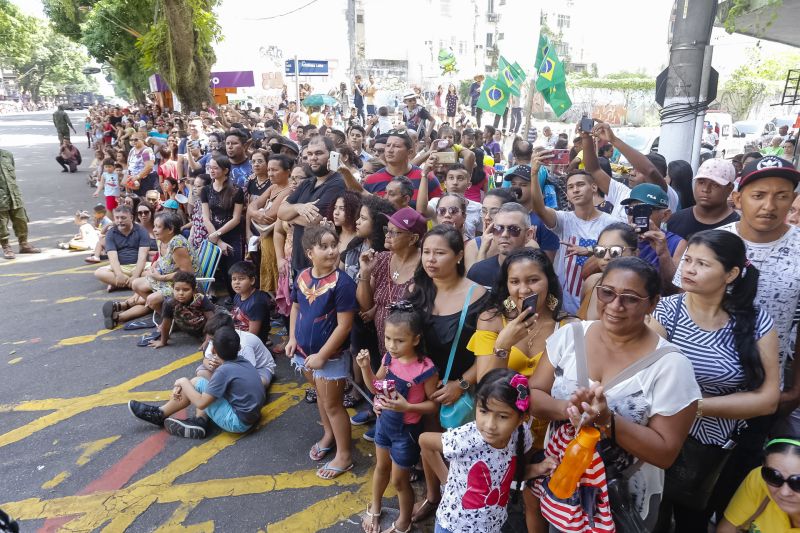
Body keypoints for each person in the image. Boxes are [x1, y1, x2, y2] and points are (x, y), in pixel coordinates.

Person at [529, 257, 701, 529]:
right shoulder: (569, 336)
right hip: (565, 490)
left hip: (624, 501)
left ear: (653, 303)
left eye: (630, 298)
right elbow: (533, 394)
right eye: (607, 292)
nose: (615, 306)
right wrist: (569, 409)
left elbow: (665, 452)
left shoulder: (671, 366)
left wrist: (607, 421)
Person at [651, 230, 780, 530]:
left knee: (693, 520)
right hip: (659, 436)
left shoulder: (756, 321)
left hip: (714, 449)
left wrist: (693, 406)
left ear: (731, 273)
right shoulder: (668, 311)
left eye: (702, 264)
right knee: (649, 517)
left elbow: (768, 398)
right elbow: (649, 375)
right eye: (687, 260)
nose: (689, 269)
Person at [407, 225, 489, 523]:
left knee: (460, 452)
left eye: (439, 253)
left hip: (462, 393)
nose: (431, 259)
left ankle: (461, 499)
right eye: (426, 252)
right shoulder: (419, 290)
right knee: (426, 444)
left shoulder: (479, 296)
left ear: (457, 256)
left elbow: (489, 354)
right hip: (425, 389)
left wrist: (462, 384)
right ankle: (433, 495)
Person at [419, 368, 556, 533]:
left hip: (492, 525)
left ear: (522, 418)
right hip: (453, 526)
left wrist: (538, 469)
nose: (490, 425)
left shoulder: (521, 435)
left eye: (503, 416)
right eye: (483, 411)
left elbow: (506, 474)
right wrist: (445, 480)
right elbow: (424, 441)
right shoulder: (466, 438)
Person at [355, 303, 438, 533]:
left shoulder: (425, 368)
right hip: (384, 424)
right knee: (380, 467)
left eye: (399, 340)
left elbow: (433, 405)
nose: (392, 345)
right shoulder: (388, 360)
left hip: (407, 432)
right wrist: (364, 368)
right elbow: (376, 387)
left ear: (416, 339)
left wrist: (408, 406)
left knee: (399, 481)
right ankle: (376, 507)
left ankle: (404, 520)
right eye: (388, 338)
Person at [285, 225, 357, 480]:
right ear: (309, 253)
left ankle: (345, 455)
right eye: (323, 247)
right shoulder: (303, 276)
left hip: (330, 357)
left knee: (334, 405)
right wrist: (293, 337)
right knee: (321, 397)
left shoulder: (343, 283)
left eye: (333, 245)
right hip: (304, 353)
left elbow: (345, 325)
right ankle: (328, 435)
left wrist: (324, 355)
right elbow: (295, 307)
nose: (331, 251)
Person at [128, 326, 266, 439]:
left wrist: (182, 382)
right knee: (199, 383)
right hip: (252, 415)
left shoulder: (223, 371)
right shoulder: (243, 361)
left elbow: (201, 402)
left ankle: (160, 414)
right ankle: (197, 421)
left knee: (196, 383)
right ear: (239, 347)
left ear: (213, 350)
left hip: (238, 422)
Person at [530, 163, 616, 313]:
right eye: (570, 187)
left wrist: (590, 251)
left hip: (597, 303)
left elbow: (621, 254)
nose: (575, 190)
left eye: (580, 184)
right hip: (564, 305)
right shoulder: (563, 220)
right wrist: (534, 174)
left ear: (594, 187)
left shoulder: (612, 224)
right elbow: (539, 208)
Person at [108, 212, 199, 332]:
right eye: (154, 226)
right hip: (168, 279)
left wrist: (161, 277)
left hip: (183, 284)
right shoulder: (162, 240)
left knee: (151, 299)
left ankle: (173, 320)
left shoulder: (178, 244)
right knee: (135, 284)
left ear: (170, 229)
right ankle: (166, 314)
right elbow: (162, 259)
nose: (154, 230)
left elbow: (187, 273)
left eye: (158, 227)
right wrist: (154, 266)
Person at [278, 136, 346, 277]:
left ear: (332, 155)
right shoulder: (306, 183)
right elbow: (280, 212)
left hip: (321, 266)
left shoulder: (338, 183)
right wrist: (298, 208)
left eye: (319, 153)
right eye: (309, 154)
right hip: (299, 260)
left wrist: (290, 216)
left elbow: (313, 220)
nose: (313, 158)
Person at [718, 437, 800, 532]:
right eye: (773, 476)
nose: (784, 492)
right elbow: (727, 529)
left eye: (798, 482)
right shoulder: (759, 480)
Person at [201, 154, 245, 298]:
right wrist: (218, 240)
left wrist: (217, 235)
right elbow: (206, 217)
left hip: (233, 234)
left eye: (215, 168)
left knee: (234, 270)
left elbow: (236, 219)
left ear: (225, 170)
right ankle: (231, 301)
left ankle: (239, 300)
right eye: (210, 168)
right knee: (216, 269)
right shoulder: (206, 190)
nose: (212, 171)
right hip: (214, 234)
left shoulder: (236, 190)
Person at [249, 154, 294, 293]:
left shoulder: (289, 190)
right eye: (269, 170)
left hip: (278, 239)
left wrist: (254, 213)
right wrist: (255, 213)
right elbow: (254, 204)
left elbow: (270, 215)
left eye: (275, 170)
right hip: (266, 236)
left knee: (277, 270)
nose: (270, 174)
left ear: (288, 172)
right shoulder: (273, 187)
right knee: (268, 267)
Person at [198, 311, 276, 388]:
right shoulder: (216, 339)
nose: (210, 342)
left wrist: (223, 366)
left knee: (259, 384)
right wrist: (210, 364)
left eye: (212, 339)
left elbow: (249, 371)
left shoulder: (245, 344)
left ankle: (224, 388)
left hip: (259, 368)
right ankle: (228, 387)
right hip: (229, 365)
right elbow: (206, 359)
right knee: (201, 372)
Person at [578, 222, 639, 320]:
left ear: (635, 254)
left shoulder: (641, 295)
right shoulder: (591, 282)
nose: (606, 257)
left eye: (615, 251)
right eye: (600, 250)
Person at [667, 158, 740, 240]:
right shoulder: (675, 220)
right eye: (701, 182)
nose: (706, 189)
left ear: (730, 188)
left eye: (715, 185)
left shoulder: (739, 228)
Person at [467, 202, 535, 289]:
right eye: (498, 228)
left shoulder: (540, 272)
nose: (504, 234)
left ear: (528, 235)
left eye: (513, 229)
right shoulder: (478, 272)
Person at [362, 130, 443, 204]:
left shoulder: (427, 178)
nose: (390, 150)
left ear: (410, 152)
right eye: (388, 145)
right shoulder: (371, 180)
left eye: (396, 146)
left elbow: (439, 209)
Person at [145, 271, 216, 349]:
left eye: (186, 290)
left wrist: (208, 340)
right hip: (194, 330)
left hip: (208, 329)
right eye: (177, 289)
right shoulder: (169, 303)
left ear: (193, 290)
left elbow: (212, 321)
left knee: (217, 342)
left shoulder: (201, 299)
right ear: (173, 288)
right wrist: (163, 342)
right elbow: (166, 324)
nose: (181, 293)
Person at [92, 206, 148, 292]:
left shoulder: (141, 230)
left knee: (153, 273)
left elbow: (142, 256)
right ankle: (134, 283)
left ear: (131, 218)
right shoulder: (111, 233)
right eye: (117, 218)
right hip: (121, 267)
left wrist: (136, 275)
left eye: (123, 218)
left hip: (139, 267)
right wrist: (119, 275)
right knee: (98, 273)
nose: (119, 221)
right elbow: (112, 257)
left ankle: (119, 284)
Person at [0, 147, 41, 259]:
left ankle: (24, 244)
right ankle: (6, 247)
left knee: (21, 220)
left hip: (14, 194)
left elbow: (12, 173)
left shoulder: (7, 154)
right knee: (1, 224)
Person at [229, 261, 271, 344]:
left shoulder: (257, 303)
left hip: (252, 341)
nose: (236, 282)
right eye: (234, 279)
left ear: (252, 280)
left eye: (241, 279)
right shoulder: (238, 295)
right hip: (239, 331)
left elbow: (252, 335)